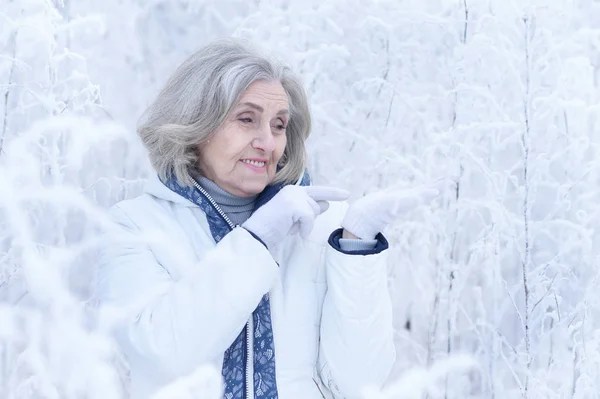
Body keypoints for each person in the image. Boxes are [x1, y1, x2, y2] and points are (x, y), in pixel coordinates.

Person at [94, 38, 441, 399]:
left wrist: (355, 246)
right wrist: (258, 239)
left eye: (278, 125)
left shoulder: (322, 226)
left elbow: (357, 383)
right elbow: (162, 355)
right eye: (247, 120)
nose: (268, 142)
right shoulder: (137, 226)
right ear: (195, 125)